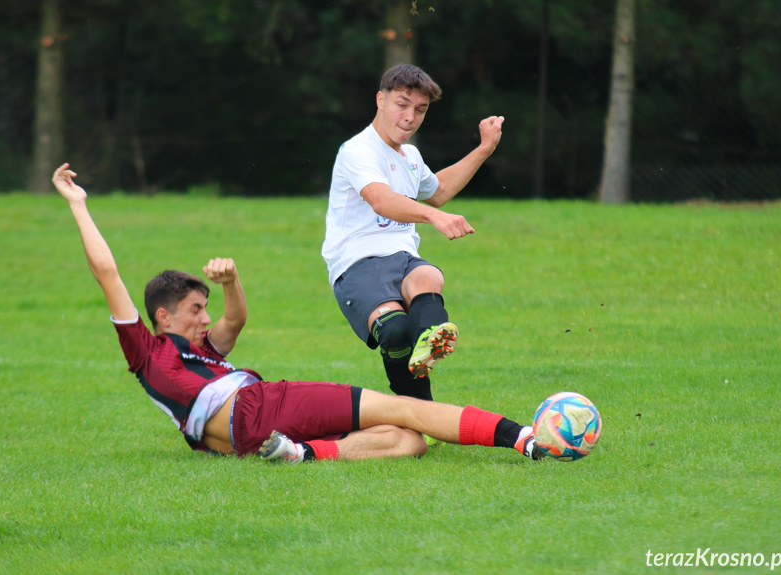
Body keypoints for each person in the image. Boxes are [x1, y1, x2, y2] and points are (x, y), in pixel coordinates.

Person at [52, 163, 541, 462]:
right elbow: (107, 273)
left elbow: (235, 322)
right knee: (407, 408)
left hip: (251, 429)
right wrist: (78, 205)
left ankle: (300, 454)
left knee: (408, 440)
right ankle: (523, 439)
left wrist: (231, 282)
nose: (206, 319)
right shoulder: (148, 352)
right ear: (162, 316)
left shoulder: (201, 353)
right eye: (196, 309)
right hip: (261, 405)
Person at [321, 63, 505, 406]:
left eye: (420, 109)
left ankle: (431, 338)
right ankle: (423, 406)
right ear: (380, 99)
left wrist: (484, 148)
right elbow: (380, 199)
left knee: (429, 275)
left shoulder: (411, 156)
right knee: (394, 332)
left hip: (403, 258)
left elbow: (439, 191)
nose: (410, 116)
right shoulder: (358, 150)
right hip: (356, 263)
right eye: (402, 104)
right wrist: (433, 217)